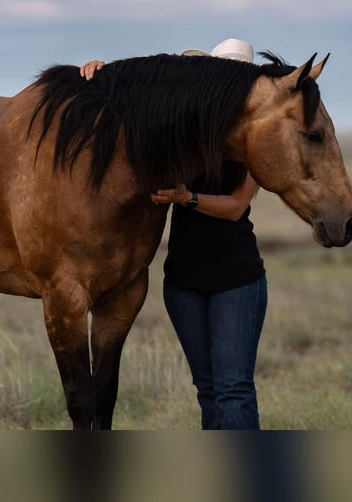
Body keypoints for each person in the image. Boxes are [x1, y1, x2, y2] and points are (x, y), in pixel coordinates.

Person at [80, 38, 268, 430]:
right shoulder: (184, 134)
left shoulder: (254, 147)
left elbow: (235, 207)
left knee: (233, 388)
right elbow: (140, 104)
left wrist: (187, 197)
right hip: (184, 279)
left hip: (235, 278)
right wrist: (103, 73)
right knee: (208, 389)